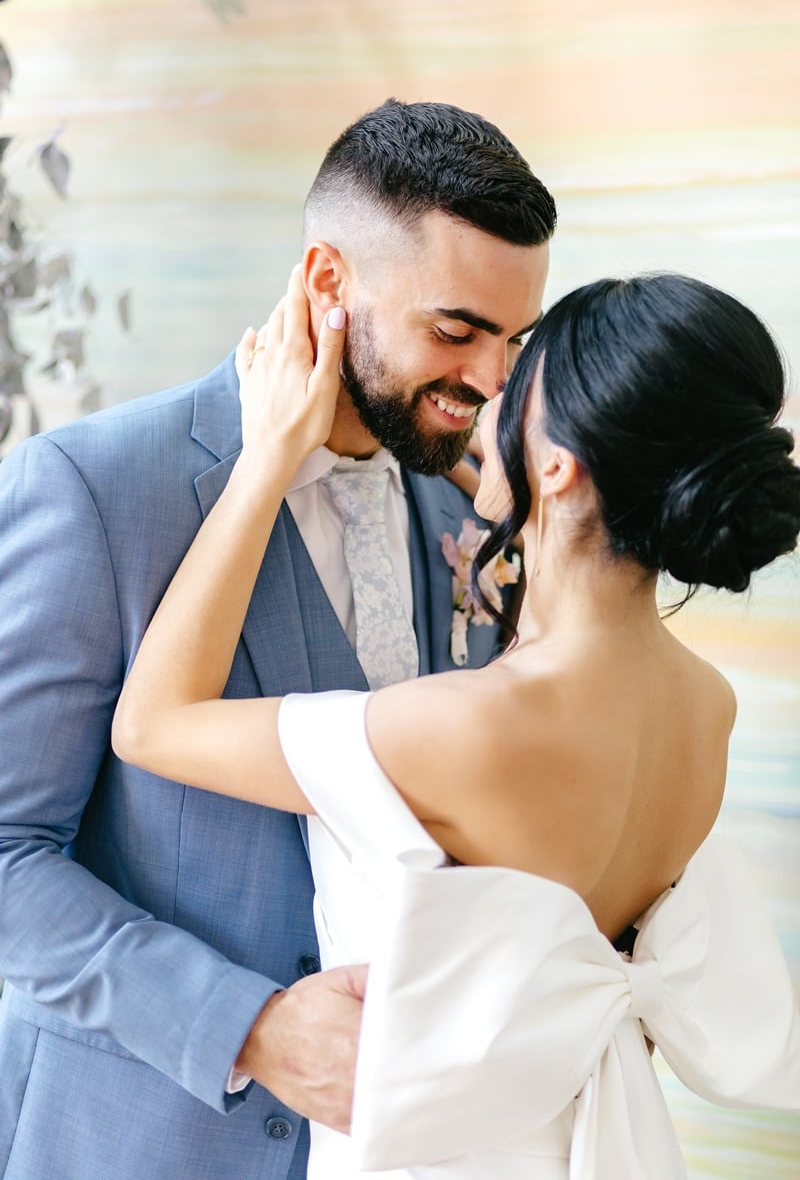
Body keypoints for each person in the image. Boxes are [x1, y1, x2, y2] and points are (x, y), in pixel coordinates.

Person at [113, 267, 800, 1179]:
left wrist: (271, 452)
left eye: (518, 387)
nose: (485, 393)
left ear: (558, 466)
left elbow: (154, 723)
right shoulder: (704, 704)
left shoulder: (464, 729)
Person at [0, 99, 555, 1180]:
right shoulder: (91, 492)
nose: (489, 381)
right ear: (327, 284)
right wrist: (248, 1026)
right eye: (454, 331)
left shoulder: (465, 514)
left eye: (510, 340)